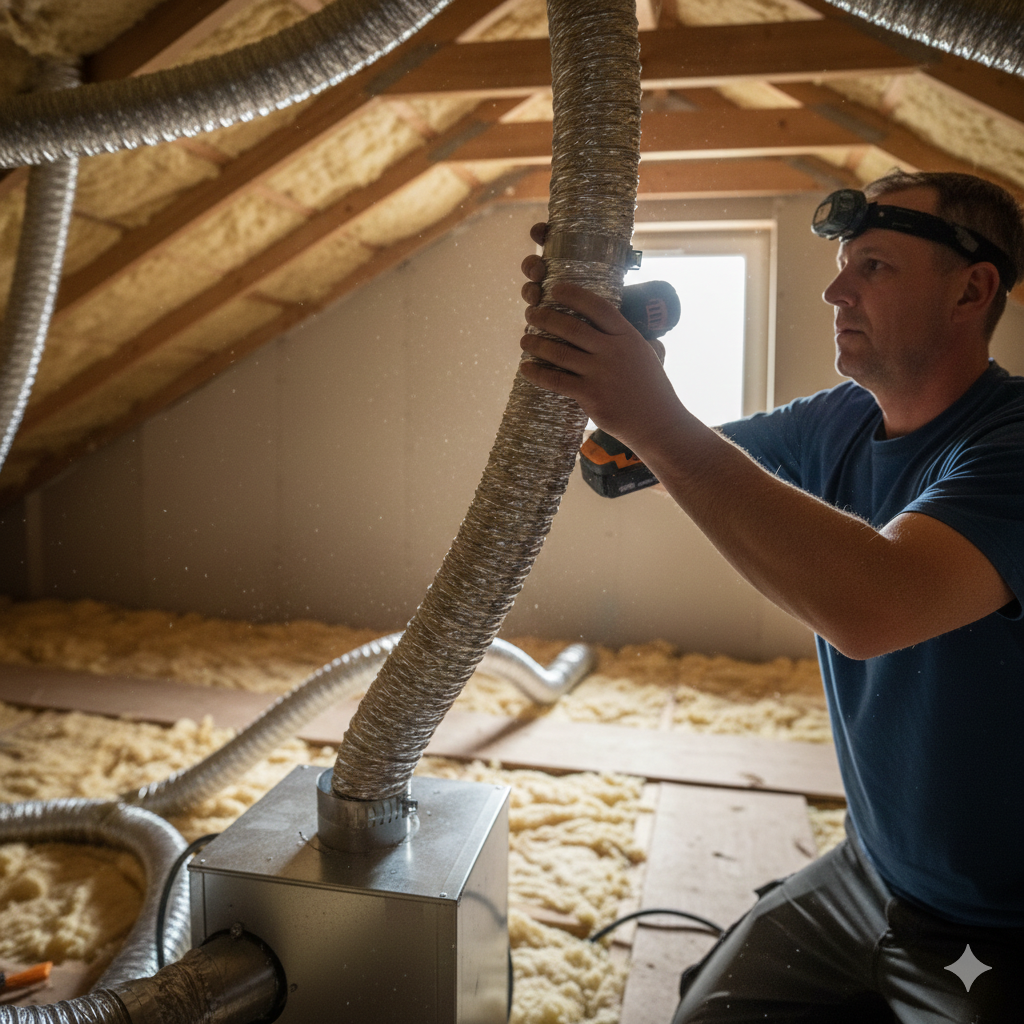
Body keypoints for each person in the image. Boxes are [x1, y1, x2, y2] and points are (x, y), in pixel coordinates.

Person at [519, 170, 1024, 1022]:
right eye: (843, 264)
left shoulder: (1011, 445)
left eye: (875, 266)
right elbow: (619, 467)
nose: (836, 289)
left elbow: (875, 607)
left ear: (972, 289)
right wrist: (599, 352)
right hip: (867, 874)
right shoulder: (841, 421)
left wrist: (649, 410)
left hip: (997, 929)